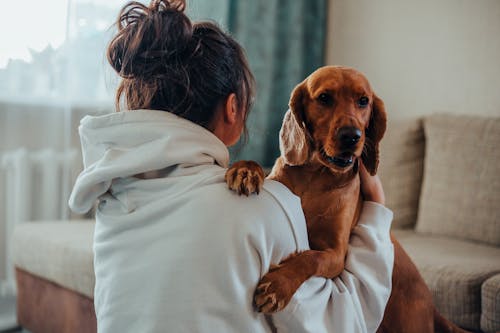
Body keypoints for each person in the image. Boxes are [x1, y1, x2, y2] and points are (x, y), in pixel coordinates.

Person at [68, 0, 394, 332]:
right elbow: (345, 325)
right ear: (232, 108)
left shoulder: (112, 201)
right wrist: (376, 213)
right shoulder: (259, 210)